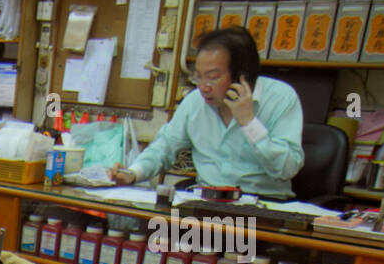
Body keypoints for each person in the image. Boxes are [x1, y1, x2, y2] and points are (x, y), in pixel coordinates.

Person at [111, 27, 304, 197]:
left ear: (241, 76)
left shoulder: (281, 98)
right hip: (207, 203)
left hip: (263, 206)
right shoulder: (195, 102)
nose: (203, 87)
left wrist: (249, 123)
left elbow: (287, 169)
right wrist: (133, 172)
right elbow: (164, 147)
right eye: (198, 77)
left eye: (212, 78)